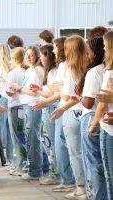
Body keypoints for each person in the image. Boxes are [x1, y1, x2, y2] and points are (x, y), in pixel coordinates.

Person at [50, 35, 86, 199]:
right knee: (83, 152)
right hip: (83, 113)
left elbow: (66, 96)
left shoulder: (71, 70)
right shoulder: (86, 67)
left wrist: (62, 88)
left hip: (71, 113)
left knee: (75, 152)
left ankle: (80, 188)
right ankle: (86, 186)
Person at [74, 36, 107, 200]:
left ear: (94, 52)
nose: (86, 54)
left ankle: (96, 196)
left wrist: (79, 97)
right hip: (102, 118)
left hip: (92, 118)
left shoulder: (94, 71)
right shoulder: (105, 69)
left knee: (92, 162)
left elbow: (88, 102)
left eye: (88, 51)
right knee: (102, 163)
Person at [29, 44, 59, 185]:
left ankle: (55, 174)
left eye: (42, 55)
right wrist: (40, 90)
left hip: (50, 107)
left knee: (51, 142)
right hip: (48, 107)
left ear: (48, 56)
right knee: (49, 142)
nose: (40, 58)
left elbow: (52, 94)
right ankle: (54, 173)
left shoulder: (53, 72)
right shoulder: (50, 71)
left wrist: (39, 92)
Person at [18, 45, 49, 180]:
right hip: (28, 106)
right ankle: (45, 166)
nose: (29, 57)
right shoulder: (30, 70)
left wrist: (18, 88)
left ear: (37, 56)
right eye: (27, 55)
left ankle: (35, 171)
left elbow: (33, 91)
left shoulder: (36, 71)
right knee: (34, 137)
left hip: (33, 106)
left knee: (32, 138)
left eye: (31, 55)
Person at [89, 30, 113, 199]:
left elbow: (102, 103)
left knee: (109, 177)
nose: (103, 50)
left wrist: (94, 124)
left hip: (109, 130)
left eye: (105, 46)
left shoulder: (109, 72)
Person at [6, 47, 27, 176]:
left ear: (14, 59)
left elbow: (9, 91)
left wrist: (4, 85)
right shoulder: (26, 71)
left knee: (16, 136)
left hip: (14, 105)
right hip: (23, 106)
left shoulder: (12, 73)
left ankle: (19, 165)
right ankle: (24, 163)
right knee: (23, 135)